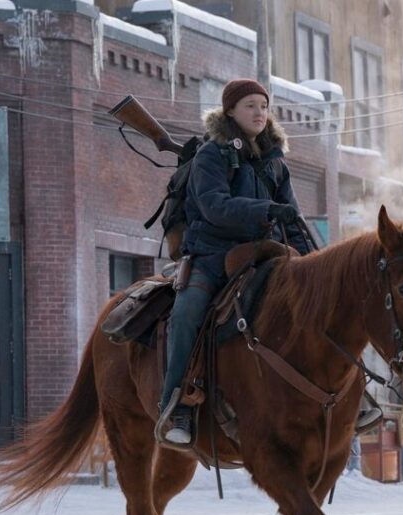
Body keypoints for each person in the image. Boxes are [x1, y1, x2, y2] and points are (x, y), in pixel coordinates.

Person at [156, 78, 375, 446]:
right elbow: (213, 206)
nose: (259, 112)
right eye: (250, 106)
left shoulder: (275, 161)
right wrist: (264, 211)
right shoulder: (211, 155)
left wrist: (315, 263)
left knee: (326, 306)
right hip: (213, 255)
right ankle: (177, 405)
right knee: (187, 313)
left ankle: (357, 393)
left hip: (266, 256)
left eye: (263, 105)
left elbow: (292, 218)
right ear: (229, 111)